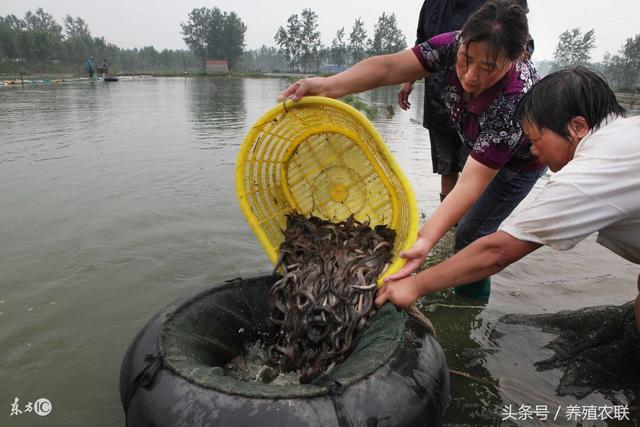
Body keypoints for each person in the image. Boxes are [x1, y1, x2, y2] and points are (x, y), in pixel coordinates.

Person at [278, 0, 544, 298]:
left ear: (513, 60)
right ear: (463, 42)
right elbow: (388, 67)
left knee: (471, 234)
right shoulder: (452, 44)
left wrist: (424, 238)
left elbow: (472, 183)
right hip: (479, 138)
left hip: (521, 162)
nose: (470, 76)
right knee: (459, 221)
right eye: (466, 59)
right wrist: (327, 86)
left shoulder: (514, 99)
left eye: (487, 68)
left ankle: (469, 307)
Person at [375, 67, 640, 332]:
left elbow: (498, 252)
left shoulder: (589, 173)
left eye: (535, 139)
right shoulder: (627, 133)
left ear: (577, 126)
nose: (533, 151)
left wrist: (415, 285)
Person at [398, 1, 533, 203]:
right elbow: (422, 41)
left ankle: (464, 226)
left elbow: (521, 43)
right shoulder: (433, 4)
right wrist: (409, 78)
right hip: (440, 96)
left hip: (482, 107)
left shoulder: (507, 104)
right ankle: (449, 226)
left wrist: (502, 73)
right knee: (446, 166)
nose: (469, 75)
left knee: (474, 170)